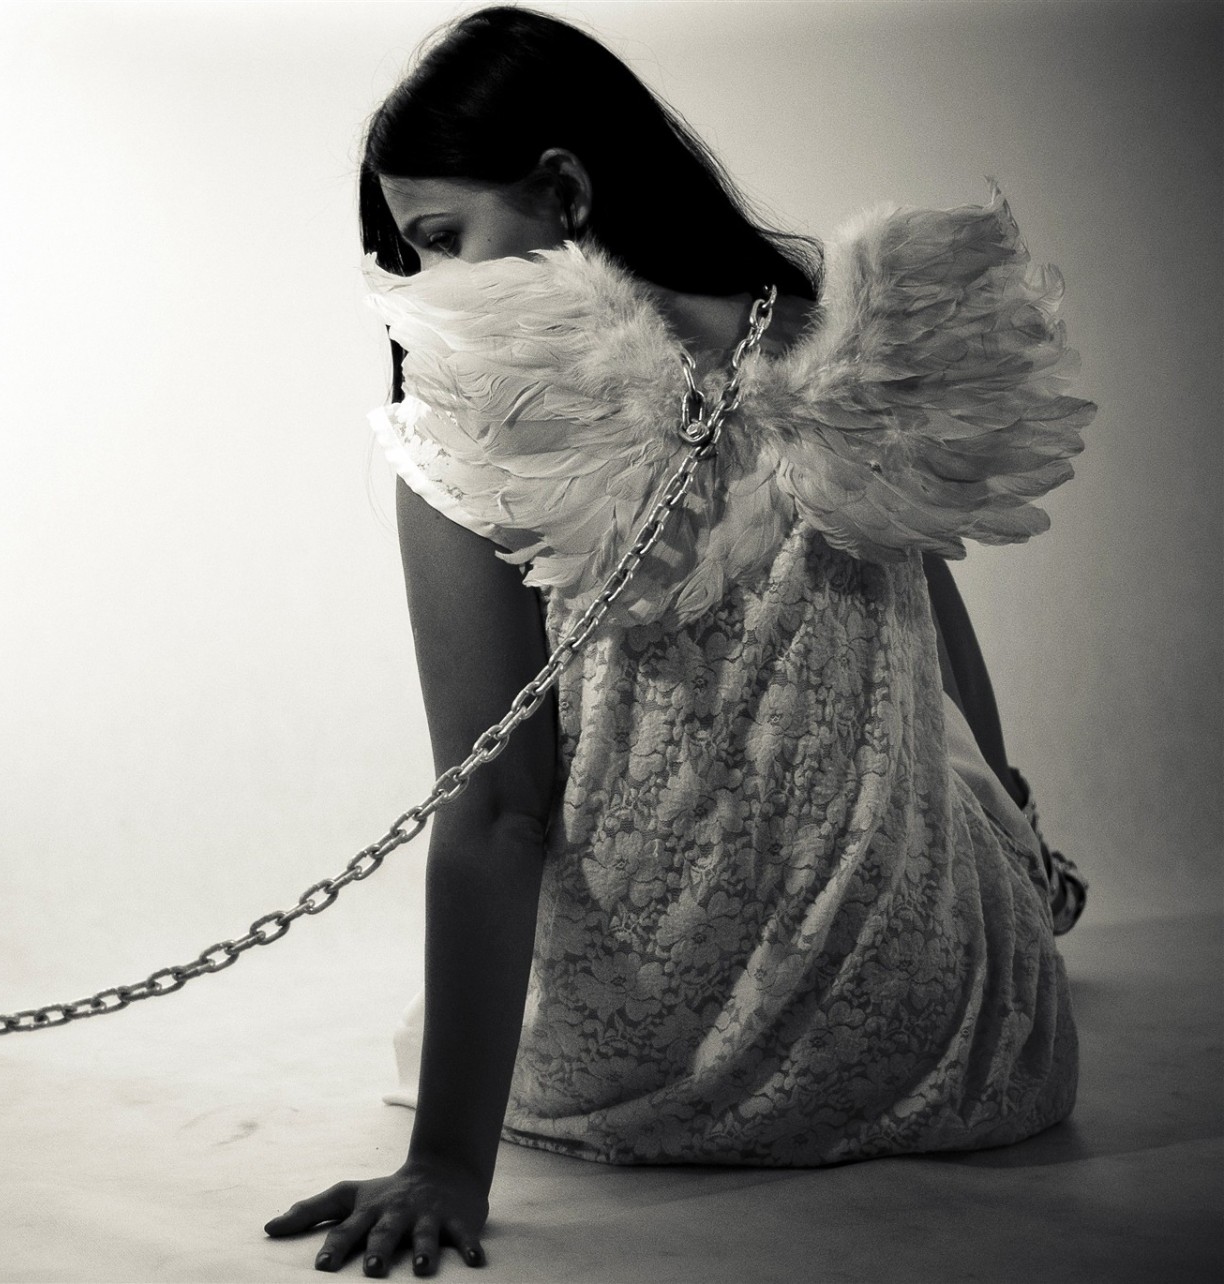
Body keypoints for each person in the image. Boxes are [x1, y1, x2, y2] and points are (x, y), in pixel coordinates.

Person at [263, 7, 1091, 1276]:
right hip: (950, 1046)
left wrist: (445, 1162)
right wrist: (1013, 839)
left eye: (441, 238)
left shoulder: (474, 410)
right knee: (943, 748)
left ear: (564, 190)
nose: (427, 286)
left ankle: (1022, 863)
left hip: (639, 1075)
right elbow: (933, 616)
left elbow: (499, 813)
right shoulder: (846, 343)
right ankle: (1035, 874)